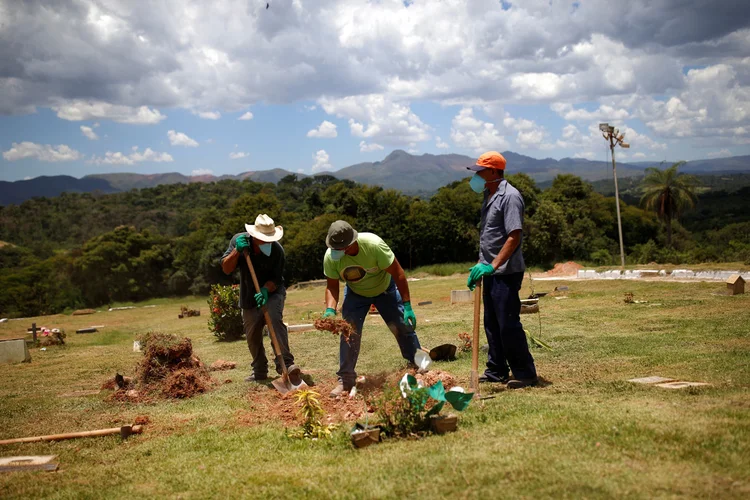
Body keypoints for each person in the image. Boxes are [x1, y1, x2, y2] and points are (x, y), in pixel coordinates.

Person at [321, 220, 421, 397]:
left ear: (350, 243)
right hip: (355, 294)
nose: (335, 251)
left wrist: (407, 305)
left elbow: (398, 273)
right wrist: (330, 309)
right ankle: (345, 380)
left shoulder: (374, 246)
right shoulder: (331, 256)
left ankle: (419, 366)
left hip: (385, 290)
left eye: (340, 248)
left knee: (401, 325)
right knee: (348, 333)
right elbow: (332, 285)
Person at [466, 151, 539, 389]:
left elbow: (513, 236)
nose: (477, 176)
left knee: (508, 323)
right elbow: (489, 236)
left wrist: (493, 264)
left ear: (495, 172)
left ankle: (525, 374)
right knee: (492, 323)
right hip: (490, 271)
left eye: (481, 171)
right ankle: (496, 370)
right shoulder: (489, 195)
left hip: (506, 271)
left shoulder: (510, 196)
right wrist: (481, 264)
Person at [221, 214, 302, 385]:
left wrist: (265, 289)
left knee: (274, 320)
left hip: (272, 292)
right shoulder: (239, 241)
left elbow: (276, 278)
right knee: (252, 334)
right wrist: (237, 251)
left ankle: (286, 365)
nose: (268, 243)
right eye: (264, 239)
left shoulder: (277, 251)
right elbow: (226, 268)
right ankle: (259, 371)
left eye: (270, 239)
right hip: (248, 296)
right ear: (255, 237)